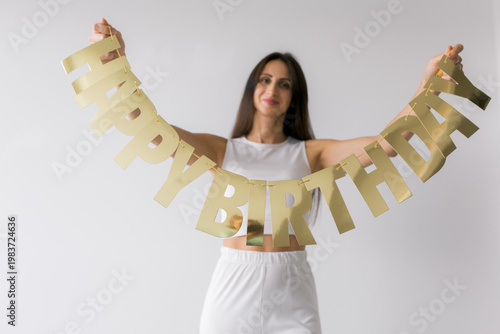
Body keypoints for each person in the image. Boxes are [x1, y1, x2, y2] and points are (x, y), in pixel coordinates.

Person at [89, 18, 464, 333]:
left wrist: (427, 84)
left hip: (293, 285)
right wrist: (114, 65)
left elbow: (388, 144)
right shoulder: (223, 150)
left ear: (294, 96)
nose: (273, 89)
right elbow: (153, 132)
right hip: (235, 282)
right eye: (265, 80)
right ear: (253, 87)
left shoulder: (311, 153)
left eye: (284, 84)